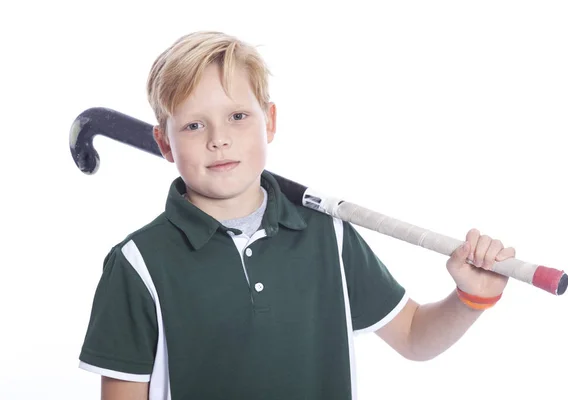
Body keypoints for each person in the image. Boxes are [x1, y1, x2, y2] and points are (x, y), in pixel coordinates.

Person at [78, 30, 516, 400]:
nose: (219, 140)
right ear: (164, 142)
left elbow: (414, 338)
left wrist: (469, 299)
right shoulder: (138, 263)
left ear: (269, 122)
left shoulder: (329, 236)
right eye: (194, 125)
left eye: (237, 116)